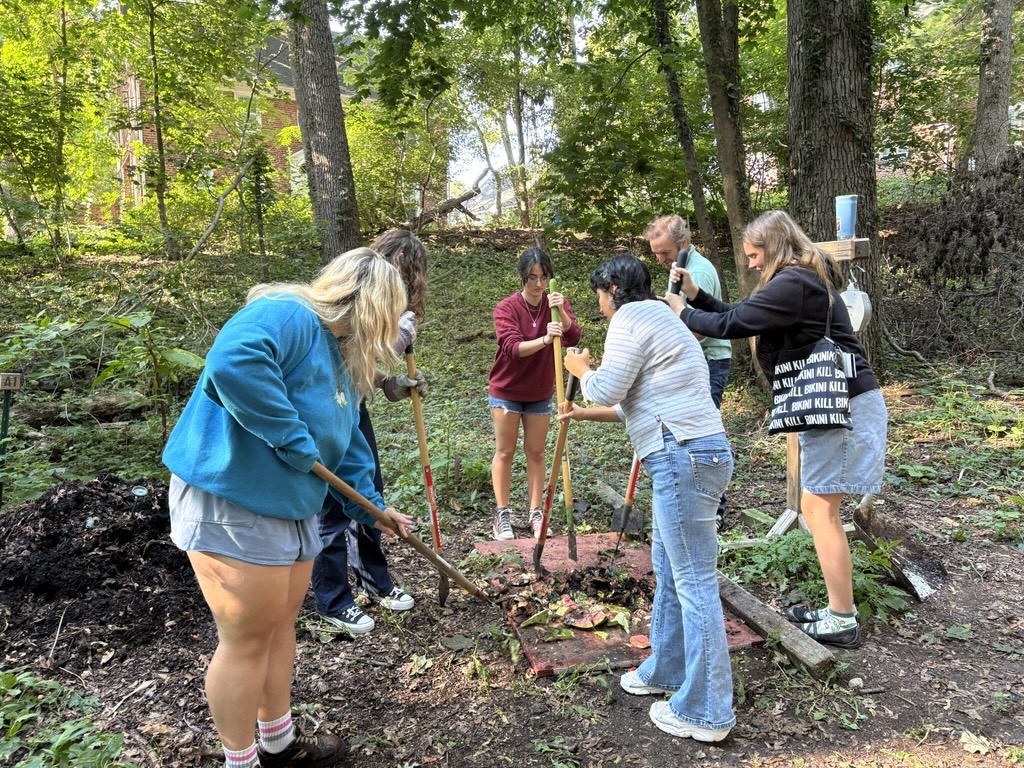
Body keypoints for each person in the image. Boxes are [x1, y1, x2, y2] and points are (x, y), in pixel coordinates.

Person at [163, 248, 415, 768]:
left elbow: (347, 452)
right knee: (247, 638)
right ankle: (241, 760)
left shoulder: (343, 359)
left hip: (289, 507)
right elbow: (234, 361)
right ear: (370, 305)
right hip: (233, 498)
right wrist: (291, 438)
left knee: (279, 627)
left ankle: (277, 743)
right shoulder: (290, 313)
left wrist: (376, 511)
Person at [665, 210, 887, 649]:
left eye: (752, 255)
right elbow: (741, 313)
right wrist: (697, 297)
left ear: (774, 246)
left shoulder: (793, 282)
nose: (749, 264)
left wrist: (682, 311)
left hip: (843, 407)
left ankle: (842, 618)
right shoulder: (801, 280)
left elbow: (732, 325)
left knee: (820, 509)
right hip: (835, 406)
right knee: (818, 506)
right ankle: (837, 610)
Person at [561, 253, 735, 743]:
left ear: (614, 287)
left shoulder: (630, 317)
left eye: (599, 294)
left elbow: (609, 388)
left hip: (680, 455)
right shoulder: (664, 315)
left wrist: (581, 368)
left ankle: (706, 710)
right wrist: (579, 412)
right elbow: (633, 403)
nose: (599, 306)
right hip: (697, 452)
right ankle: (667, 669)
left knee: (695, 580)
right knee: (670, 566)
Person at [312, 229, 429, 637]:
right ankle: (332, 599)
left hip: (352, 407)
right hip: (330, 412)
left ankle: (373, 580)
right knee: (332, 507)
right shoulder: (340, 306)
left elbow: (359, 363)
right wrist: (396, 338)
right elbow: (353, 351)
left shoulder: (388, 302)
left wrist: (386, 384)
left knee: (368, 492)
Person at [645, 215, 732, 528]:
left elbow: (699, 330)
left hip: (707, 361)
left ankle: (713, 510)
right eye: (655, 252)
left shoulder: (699, 272)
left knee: (702, 435)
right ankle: (695, 502)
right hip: (689, 361)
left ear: (682, 245)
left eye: (664, 251)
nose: (659, 259)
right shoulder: (678, 268)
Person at [488, 247, 581, 541]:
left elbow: (573, 336)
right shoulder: (507, 308)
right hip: (507, 389)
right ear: (522, 278)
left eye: (543, 277)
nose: (538, 284)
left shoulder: (556, 305)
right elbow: (513, 349)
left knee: (537, 452)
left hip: (540, 390)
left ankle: (535, 512)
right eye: (532, 278)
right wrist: (544, 338)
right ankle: (502, 513)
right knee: (505, 451)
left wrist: (563, 316)